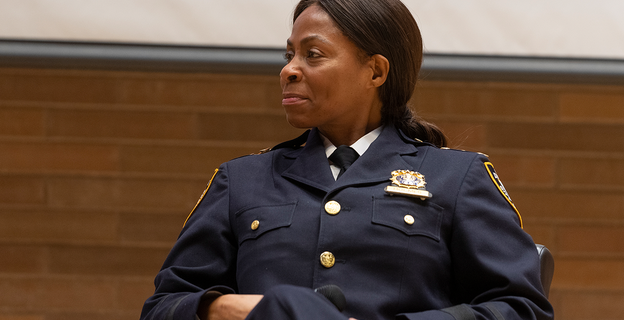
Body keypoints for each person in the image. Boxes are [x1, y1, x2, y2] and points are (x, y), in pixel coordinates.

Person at [140, 0, 554, 319]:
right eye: (289, 55)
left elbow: (520, 307)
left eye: (313, 55)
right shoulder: (241, 180)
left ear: (375, 71)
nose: (289, 70)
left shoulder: (457, 177)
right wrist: (235, 309)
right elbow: (164, 306)